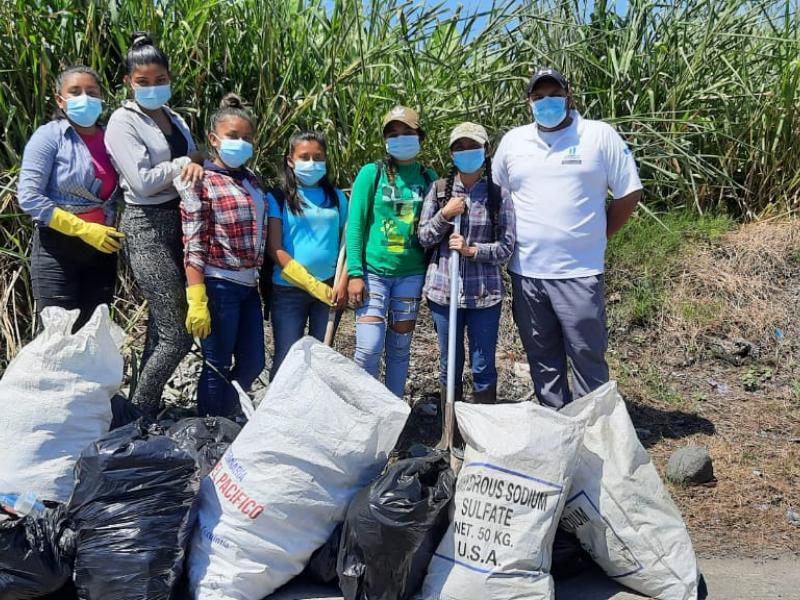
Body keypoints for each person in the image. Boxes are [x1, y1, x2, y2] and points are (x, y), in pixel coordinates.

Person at [492, 67, 643, 409]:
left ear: (568, 95)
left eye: (554, 95)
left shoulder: (598, 135)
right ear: (529, 101)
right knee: (542, 359)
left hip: (579, 272)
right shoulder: (514, 141)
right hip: (526, 273)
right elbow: (498, 196)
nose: (547, 102)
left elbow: (629, 192)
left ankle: (594, 426)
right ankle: (556, 422)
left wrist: (600, 234)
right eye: (539, 96)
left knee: (587, 355)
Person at [105, 32, 204, 415]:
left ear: (169, 78)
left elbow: (194, 156)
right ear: (128, 82)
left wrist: (191, 160)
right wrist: (183, 163)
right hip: (146, 227)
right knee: (178, 334)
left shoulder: (174, 118)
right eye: (143, 81)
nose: (152, 87)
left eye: (160, 79)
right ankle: (136, 415)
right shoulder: (122, 121)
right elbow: (142, 182)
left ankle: (139, 410)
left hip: (179, 221)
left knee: (160, 329)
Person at [176, 94, 267, 417]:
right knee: (217, 363)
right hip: (219, 284)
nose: (240, 143)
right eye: (232, 136)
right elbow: (193, 240)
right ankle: (211, 427)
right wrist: (196, 296)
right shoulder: (200, 179)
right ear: (214, 139)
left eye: (247, 138)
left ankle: (225, 416)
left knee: (254, 362)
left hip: (249, 285)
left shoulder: (252, 180)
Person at [418, 122, 515, 418]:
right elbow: (424, 237)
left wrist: (472, 250)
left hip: (484, 295)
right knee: (450, 361)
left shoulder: (498, 196)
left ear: (486, 151)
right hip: (444, 293)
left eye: (472, 146)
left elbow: (506, 248)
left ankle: (483, 424)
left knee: (483, 364)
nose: (466, 152)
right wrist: (445, 216)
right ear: (451, 154)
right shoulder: (439, 191)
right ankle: (451, 426)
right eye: (459, 147)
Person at [17, 65, 122, 333]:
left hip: (102, 249)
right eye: (75, 92)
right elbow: (29, 196)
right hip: (58, 248)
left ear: (101, 97)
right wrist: (81, 228)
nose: (84, 97)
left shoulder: (112, 138)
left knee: (92, 334)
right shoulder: (49, 136)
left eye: (92, 92)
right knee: (57, 335)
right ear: (60, 99)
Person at [346, 106, 436, 398]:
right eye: (392, 134)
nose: (399, 139)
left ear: (420, 136)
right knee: (368, 348)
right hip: (373, 274)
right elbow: (355, 225)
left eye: (406, 133)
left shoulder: (428, 178)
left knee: (399, 348)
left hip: (411, 275)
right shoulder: (372, 174)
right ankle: (366, 407)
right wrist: (355, 273)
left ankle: (393, 410)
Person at [266, 132, 348, 378]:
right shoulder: (278, 197)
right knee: (287, 356)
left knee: (321, 356)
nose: (312, 163)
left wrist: (342, 282)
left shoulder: (337, 198)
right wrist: (310, 283)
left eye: (318, 157)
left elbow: (347, 243)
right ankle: (280, 401)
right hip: (289, 290)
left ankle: (312, 400)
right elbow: (274, 248)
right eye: (304, 157)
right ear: (290, 161)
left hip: (329, 289)